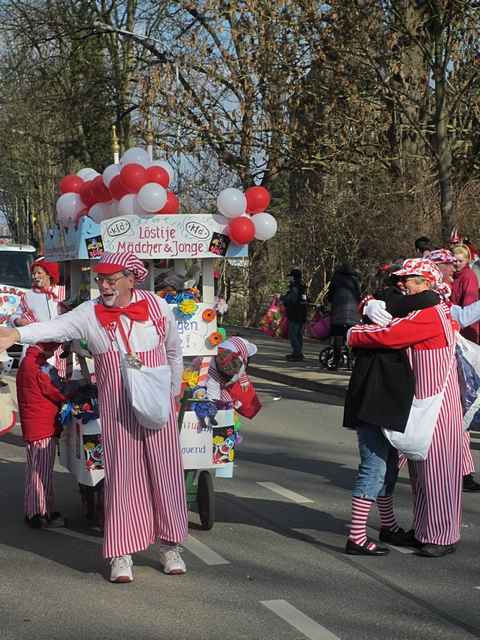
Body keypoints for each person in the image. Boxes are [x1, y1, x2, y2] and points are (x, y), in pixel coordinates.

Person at [0, 252, 187, 583]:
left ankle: (170, 545)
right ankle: (121, 552)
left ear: (131, 278)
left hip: (158, 405)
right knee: (122, 477)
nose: (104, 286)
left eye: (111, 280)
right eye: (100, 279)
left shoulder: (158, 308)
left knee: (165, 473)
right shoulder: (90, 312)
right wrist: (17, 335)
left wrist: (173, 393)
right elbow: (55, 328)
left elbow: (173, 350)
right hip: (117, 410)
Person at [348, 259, 463, 558]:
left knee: (439, 472)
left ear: (425, 283)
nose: (403, 284)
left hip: (438, 405)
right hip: (424, 402)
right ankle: (425, 530)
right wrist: (370, 303)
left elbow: (391, 334)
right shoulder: (422, 308)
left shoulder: (429, 315)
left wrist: (354, 334)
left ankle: (441, 536)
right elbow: (387, 303)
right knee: (421, 472)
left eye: (409, 280)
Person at [428, 249, 480, 492]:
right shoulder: (432, 295)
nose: (453, 269)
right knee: (422, 432)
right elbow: (460, 316)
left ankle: (463, 473)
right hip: (435, 371)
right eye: (448, 265)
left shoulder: (443, 291)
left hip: (450, 362)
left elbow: (459, 316)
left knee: (460, 419)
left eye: (454, 263)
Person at [18, 341, 71, 529]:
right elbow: (53, 390)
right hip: (42, 425)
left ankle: (33, 510)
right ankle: (41, 514)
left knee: (35, 471)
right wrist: (70, 395)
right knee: (42, 474)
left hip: (34, 424)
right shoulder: (38, 366)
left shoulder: (28, 362)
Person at [10, 258, 68, 377]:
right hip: (36, 347)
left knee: (59, 385)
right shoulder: (29, 295)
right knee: (36, 380)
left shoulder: (63, 292)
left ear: (49, 275)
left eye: (39, 273)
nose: (35, 276)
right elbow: (14, 316)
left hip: (60, 348)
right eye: (33, 273)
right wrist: (18, 321)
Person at [327, 263, 361, 370]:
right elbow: (358, 295)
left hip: (338, 310)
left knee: (338, 337)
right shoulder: (355, 280)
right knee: (351, 336)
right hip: (353, 312)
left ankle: (336, 362)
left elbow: (330, 295)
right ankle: (352, 362)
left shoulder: (336, 279)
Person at [451, 244, 479, 343]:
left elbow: (469, 306)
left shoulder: (468, 276)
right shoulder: (454, 275)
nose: (457, 264)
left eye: (460, 261)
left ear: (467, 261)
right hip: (455, 321)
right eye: (455, 261)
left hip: (466, 325)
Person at [281, 268, 308, 361]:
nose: (289, 279)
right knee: (299, 335)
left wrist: (282, 298)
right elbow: (305, 300)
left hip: (294, 315)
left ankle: (297, 354)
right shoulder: (303, 288)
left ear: (294, 277)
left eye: (291, 277)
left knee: (293, 335)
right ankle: (298, 353)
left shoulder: (295, 288)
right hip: (302, 315)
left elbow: (291, 300)